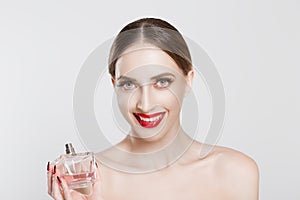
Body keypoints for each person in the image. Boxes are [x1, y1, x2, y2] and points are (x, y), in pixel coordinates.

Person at [47, 17, 259, 200]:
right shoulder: (89, 180)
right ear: (114, 85)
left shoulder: (236, 172)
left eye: (162, 82)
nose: (145, 104)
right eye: (129, 85)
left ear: (188, 81)